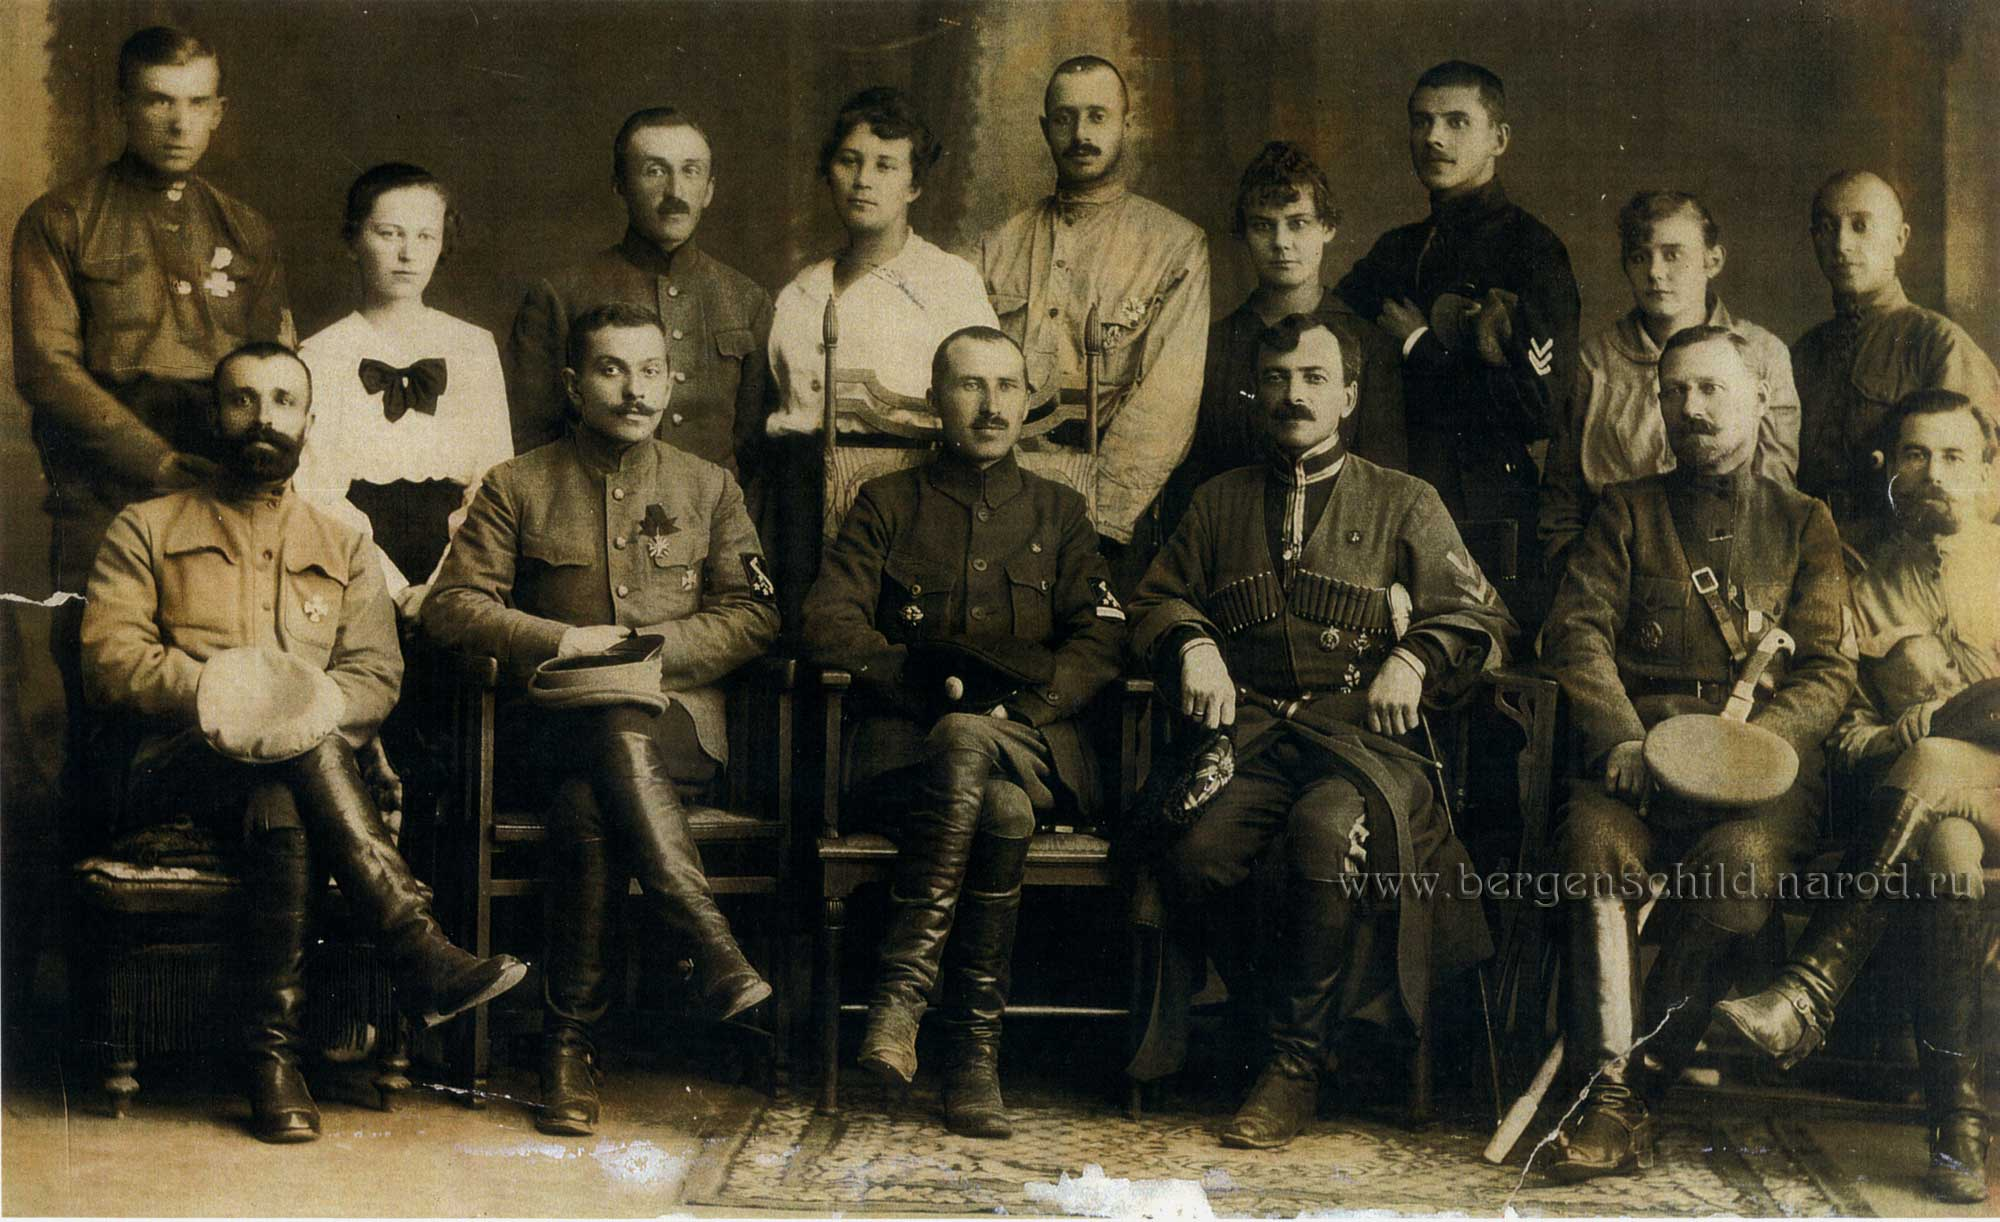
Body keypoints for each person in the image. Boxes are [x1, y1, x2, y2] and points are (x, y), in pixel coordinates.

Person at [79, 342, 525, 1143]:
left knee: (282, 796)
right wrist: (237, 698)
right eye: (243, 399)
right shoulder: (144, 527)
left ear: (309, 421)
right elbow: (111, 660)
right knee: (298, 745)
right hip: (172, 772)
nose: (264, 418)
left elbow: (375, 675)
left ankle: (272, 1063)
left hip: (288, 782)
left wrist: (291, 719)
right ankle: (415, 946)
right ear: (216, 415)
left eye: (284, 401)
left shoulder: (344, 542)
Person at [1128, 314, 1514, 1150]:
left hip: (1365, 748)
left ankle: (1294, 1068)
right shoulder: (1218, 500)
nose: (1293, 395)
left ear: (1348, 395)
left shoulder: (1405, 500)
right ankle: (1279, 1021)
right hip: (1254, 740)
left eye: (1313, 378)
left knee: (1325, 829)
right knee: (1193, 853)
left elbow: (1482, 618)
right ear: (1254, 393)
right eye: (1276, 379)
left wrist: (1413, 659)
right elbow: (1155, 598)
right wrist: (1193, 644)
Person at [424, 303, 779, 1138]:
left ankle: (567, 1049)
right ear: (574, 384)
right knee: (591, 775)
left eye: (650, 370)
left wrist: (642, 653)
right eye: (612, 370)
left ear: (671, 382)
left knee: (595, 787)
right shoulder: (518, 484)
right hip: (548, 729)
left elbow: (755, 614)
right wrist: (562, 640)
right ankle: (708, 944)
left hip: (675, 724)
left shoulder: (709, 486)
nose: (634, 389)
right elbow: (452, 606)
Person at [1538, 325, 1853, 1182]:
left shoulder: (1804, 523)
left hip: (1759, 774)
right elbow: (1577, 634)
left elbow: (1829, 670)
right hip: (1641, 762)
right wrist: (1621, 735)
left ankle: (1632, 1084)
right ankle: (1611, 1094)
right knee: (1592, 845)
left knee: (1739, 867)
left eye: (1712, 389)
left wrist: (1756, 752)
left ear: (1758, 397)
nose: (1692, 408)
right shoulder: (1626, 511)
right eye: (1674, 392)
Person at [801, 326, 1124, 1139]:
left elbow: (1100, 640)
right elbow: (828, 622)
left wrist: (1028, 709)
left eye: (1008, 386)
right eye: (970, 385)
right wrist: (920, 682)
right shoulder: (887, 503)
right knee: (995, 803)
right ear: (935, 400)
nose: (990, 406)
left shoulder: (1061, 511)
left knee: (972, 741)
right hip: (905, 755)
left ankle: (901, 1001)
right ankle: (973, 1061)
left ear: (1027, 400)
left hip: (1030, 743)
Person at [1713, 390, 2000, 1204]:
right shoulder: (1864, 589)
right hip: (1940, 809)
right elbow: (1848, 739)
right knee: (1946, 850)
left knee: (1937, 754)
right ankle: (1958, 1132)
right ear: (1890, 471)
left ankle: (1808, 991)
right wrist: (1893, 735)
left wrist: (1943, 718)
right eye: (1915, 455)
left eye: (1954, 457)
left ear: (1988, 471)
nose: (1933, 473)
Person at [1336, 60, 1579, 623]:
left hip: (1485, 512)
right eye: (1421, 121)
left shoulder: (1534, 251)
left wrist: (1421, 347)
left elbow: (1536, 408)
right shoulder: (1397, 249)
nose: (1433, 137)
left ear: (1499, 139)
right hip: (1389, 501)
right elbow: (1330, 328)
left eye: (1456, 122)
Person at [763, 86, 999, 629]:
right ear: (829, 173)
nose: (863, 179)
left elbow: (980, 403)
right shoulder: (799, 293)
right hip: (796, 507)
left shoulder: (950, 283)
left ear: (914, 185)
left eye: (885, 165)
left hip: (906, 505)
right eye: (849, 161)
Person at [976, 55, 1211, 593]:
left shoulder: (1175, 246)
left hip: (1111, 510)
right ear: (1045, 128)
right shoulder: (997, 245)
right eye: (1065, 118)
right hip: (1000, 494)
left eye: (1098, 116)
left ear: (1128, 124)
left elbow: (1168, 403)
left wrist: (1099, 516)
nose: (1080, 134)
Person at [296, 163, 511, 619]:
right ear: (354, 240)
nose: (408, 254)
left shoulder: (473, 346)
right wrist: (391, 589)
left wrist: (442, 587)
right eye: (389, 234)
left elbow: (493, 482)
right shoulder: (319, 354)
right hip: (353, 563)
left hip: (460, 568)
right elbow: (316, 491)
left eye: (425, 236)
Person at [1541, 191, 1799, 570]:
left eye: (1673, 254)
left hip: (1734, 568)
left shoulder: (1763, 354)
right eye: (1639, 257)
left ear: (1713, 260)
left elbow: (1775, 498)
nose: (1655, 272)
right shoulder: (1593, 363)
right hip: (1614, 569)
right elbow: (1560, 507)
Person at [505, 106, 771, 474]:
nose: (675, 191)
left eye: (691, 171)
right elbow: (531, 443)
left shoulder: (747, 300)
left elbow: (756, 449)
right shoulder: (560, 296)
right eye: (654, 171)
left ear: (709, 189)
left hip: (711, 508)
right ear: (620, 185)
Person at [1164, 141, 1405, 535]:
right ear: (1243, 233)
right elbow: (1192, 481)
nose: (1281, 242)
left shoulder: (1370, 344)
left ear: (1327, 228)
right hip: (1234, 544)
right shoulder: (1211, 345)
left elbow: (1385, 484)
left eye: (1298, 223)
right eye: (1263, 225)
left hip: (1339, 544)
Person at [1793, 170, 2000, 555]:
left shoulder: (1937, 343)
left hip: (1903, 562)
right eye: (1827, 228)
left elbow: (1985, 487)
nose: (1842, 244)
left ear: (1900, 239)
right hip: (1812, 556)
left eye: (1860, 226)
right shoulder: (1804, 353)